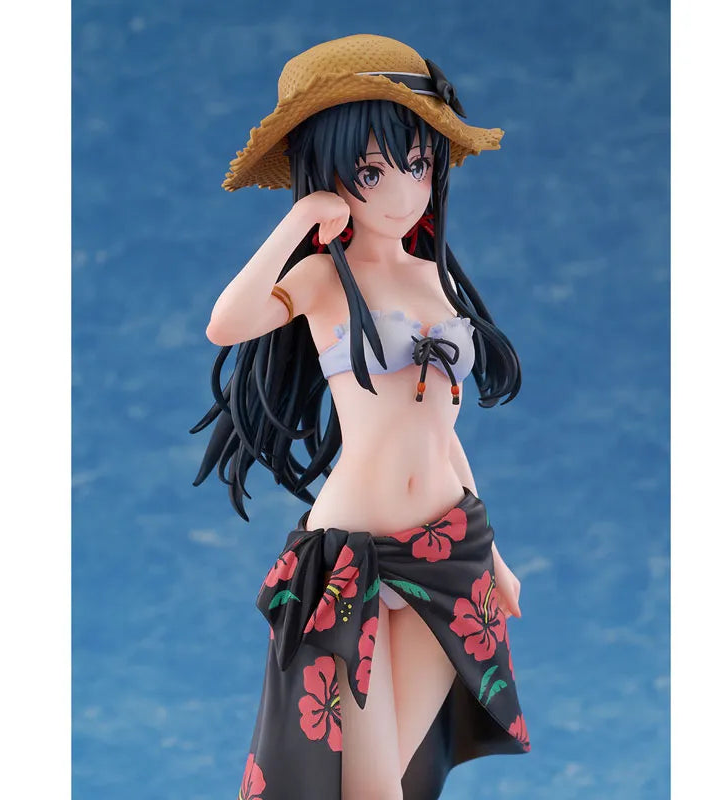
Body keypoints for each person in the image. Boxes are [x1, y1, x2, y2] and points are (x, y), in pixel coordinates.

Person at [192, 33, 530, 800]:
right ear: (328, 173)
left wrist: (495, 555)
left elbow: (441, 433)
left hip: (449, 552)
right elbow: (225, 323)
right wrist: (299, 220)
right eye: (370, 172)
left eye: (417, 164)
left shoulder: (433, 277)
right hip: (354, 559)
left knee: (403, 779)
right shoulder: (320, 278)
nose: (402, 193)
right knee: (365, 783)